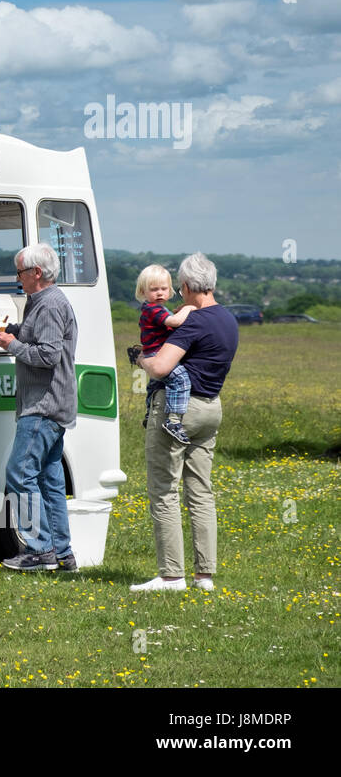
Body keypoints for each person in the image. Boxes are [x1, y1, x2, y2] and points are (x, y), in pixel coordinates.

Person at [0, 241, 79, 572]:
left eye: (20, 272)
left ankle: (41, 550)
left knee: (19, 473)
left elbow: (47, 355)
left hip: (43, 406)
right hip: (51, 405)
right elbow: (23, 333)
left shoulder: (50, 305)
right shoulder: (39, 302)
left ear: (37, 273)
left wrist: (13, 347)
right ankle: (63, 552)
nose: (17, 278)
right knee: (50, 481)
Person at [131, 253, 238, 592]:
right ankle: (204, 575)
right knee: (201, 492)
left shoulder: (192, 321)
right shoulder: (228, 319)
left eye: (179, 289)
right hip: (211, 407)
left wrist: (140, 359)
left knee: (164, 490)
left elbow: (161, 367)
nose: (178, 294)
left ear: (189, 287)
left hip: (179, 410)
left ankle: (171, 576)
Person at [127, 265, 195, 444]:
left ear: (170, 290)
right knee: (180, 379)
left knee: (155, 384)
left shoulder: (157, 309)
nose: (159, 293)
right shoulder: (153, 309)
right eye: (154, 289)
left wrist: (179, 310)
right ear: (143, 291)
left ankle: (150, 413)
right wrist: (189, 308)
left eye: (163, 289)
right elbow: (173, 322)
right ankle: (173, 420)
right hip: (156, 353)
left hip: (151, 352)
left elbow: (170, 317)